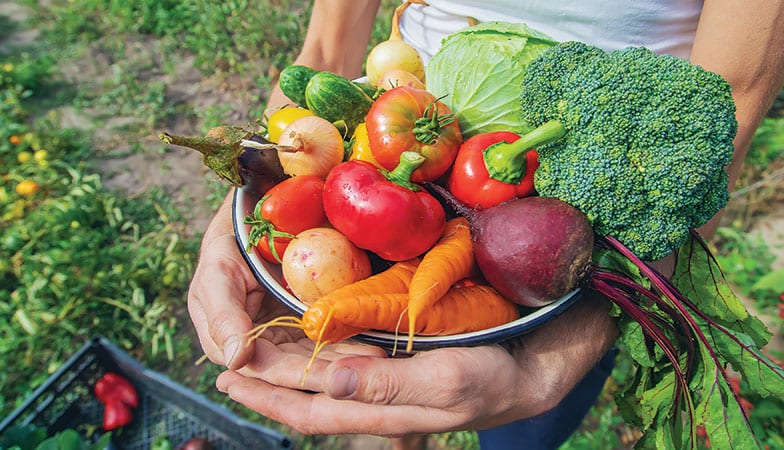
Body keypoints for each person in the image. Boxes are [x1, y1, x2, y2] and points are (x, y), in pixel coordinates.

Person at [187, 1, 784, 448]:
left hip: (570, 230)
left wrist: (565, 346)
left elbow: (727, 99)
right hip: (400, 111)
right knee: (392, 403)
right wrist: (244, 201)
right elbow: (324, 50)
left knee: (518, 436)